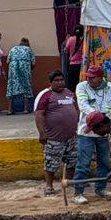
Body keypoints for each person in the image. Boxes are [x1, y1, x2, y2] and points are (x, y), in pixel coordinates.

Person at [75, 63, 111, 200]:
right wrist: (99, 117)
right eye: (88, 77)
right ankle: (78, 192)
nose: (89, 79)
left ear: (100, 78)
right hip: (86, 132)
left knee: (104, 163)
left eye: (92, 77)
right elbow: (83, 105)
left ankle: (101, 188)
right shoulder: (82, 87)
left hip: (104, 132)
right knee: (83, 163)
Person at [34, 69, 83, 198]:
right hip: (54, 138)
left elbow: (76, 109)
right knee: (51, 163)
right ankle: (49, 186)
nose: (60, 83)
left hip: (71, 137)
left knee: (72, 161)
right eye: (56, 80)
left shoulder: (69, 93)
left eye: (62, 80)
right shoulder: (45, 95)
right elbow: (39, 114)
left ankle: (69, 182)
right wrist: (42, 133)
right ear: (50, 83)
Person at [6, 37, 36, 115]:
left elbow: (7, 61)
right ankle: (25, 109)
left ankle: (10, 109)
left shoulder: (13, 49)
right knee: (26, 86)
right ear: (27, 43)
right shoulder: (29, 49)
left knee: (11, 87)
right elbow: (33, 63)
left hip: (13, 70)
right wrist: (29, 68)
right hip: (25, 69)